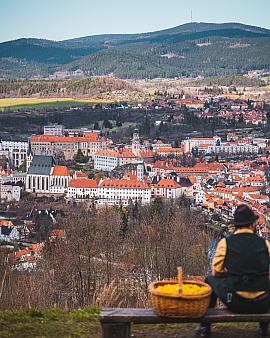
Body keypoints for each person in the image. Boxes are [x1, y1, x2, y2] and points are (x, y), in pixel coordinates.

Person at [196, 204, 270, 336]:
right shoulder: (265, 244)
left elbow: (216, 271)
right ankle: (264, 328)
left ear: (236, 225)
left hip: (235, 301)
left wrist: (231, 274)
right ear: (252, 224)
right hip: (262, 302)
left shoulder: (226, 243)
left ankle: (204, 326)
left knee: (209, 279)